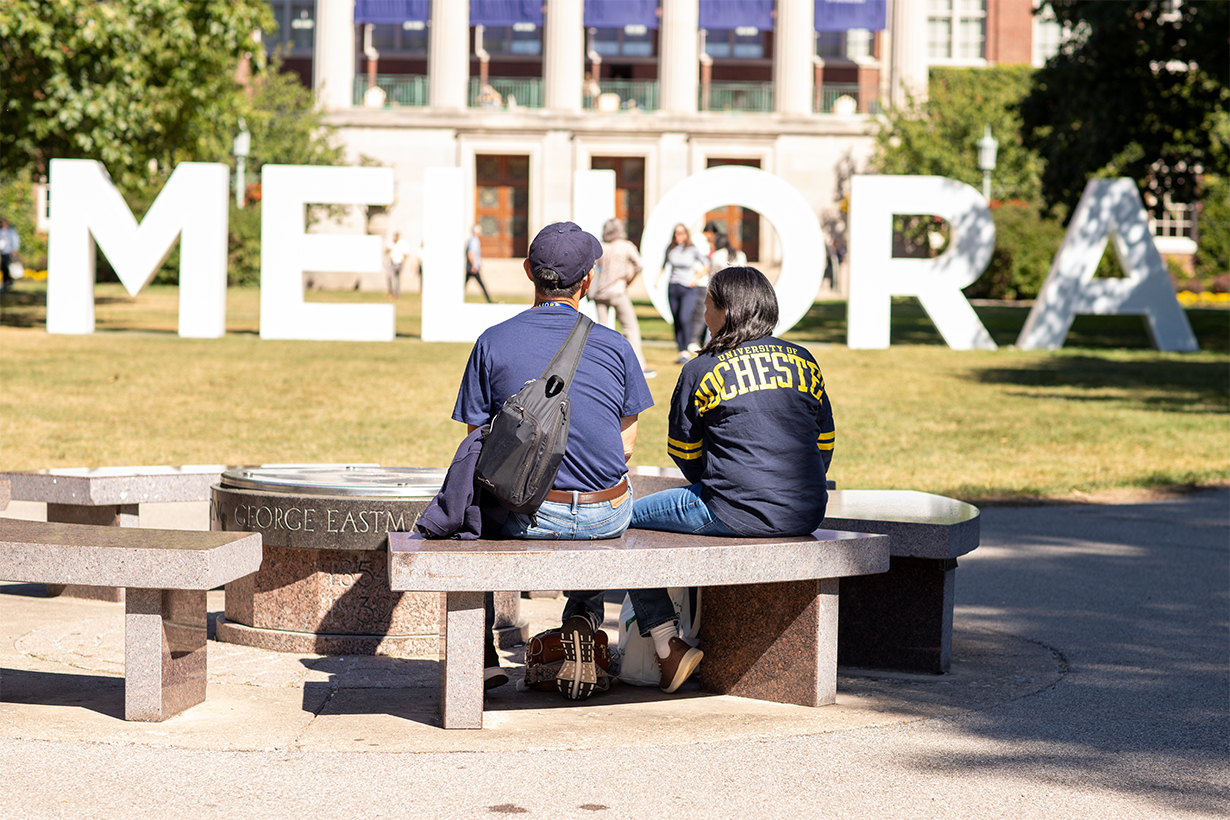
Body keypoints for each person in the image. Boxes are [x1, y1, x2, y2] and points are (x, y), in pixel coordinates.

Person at [452, 221, 660, 700]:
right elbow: (626, 449)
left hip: (527, 518)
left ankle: (481, 655)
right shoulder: (616, 346)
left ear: (528, 272)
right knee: (608, 489)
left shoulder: (492, 340)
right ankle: (581, 621)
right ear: (588, 281)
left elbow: (477, 443)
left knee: (478, 502)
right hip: (604, 516)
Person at [628, 267, 836, 688]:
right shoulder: (805, 361)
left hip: (731, 509)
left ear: (726, 310)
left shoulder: (701, 367)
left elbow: (685, 453)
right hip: (807, 512)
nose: (703, 313)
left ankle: (668, 646)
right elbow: (825, 443)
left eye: (707, 304)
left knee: (620, 522)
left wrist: (726, 483)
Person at [593, 218, 655, 379]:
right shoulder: (625, 246)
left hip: (600, 292)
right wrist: (629, 280)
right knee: (630, 328)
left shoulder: (601, 247)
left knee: (601, 329)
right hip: (618, 291)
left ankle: (598, 364)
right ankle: (639, 366)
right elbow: (639, 265)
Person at [655, 223, 708, 364]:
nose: (678, 235)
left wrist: (696, 278)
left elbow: (706, 264)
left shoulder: (692, 250)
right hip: (673, 287)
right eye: (676, 233)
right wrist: (657, 280)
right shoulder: (671, 249)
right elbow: (664, 264)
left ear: (686, 234)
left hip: (688, 288)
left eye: (681, 233)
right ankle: (681, 351)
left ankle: (686, 347)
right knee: (677, 320)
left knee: (685, 317)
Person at [464, 224, 493, 303]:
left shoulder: (473, 240)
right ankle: (489, 300)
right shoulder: (474, 241)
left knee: (465, 284)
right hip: (473, 267)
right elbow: (471, 253)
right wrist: (474, 265)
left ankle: (489, 300)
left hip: (472, 266)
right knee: (481, 284)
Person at [385, 231, 410, 298]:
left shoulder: (402, 243)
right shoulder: (391, 243)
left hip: (399, 263)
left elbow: (406, 253)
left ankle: (397, 293)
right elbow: (386, 250)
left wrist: (404, 261)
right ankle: (391, 292)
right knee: (390, 277)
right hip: (392, 262)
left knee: (397, 279)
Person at [0, 217, 19, 292]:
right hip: (3, 251)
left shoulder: (11, 231)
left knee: (8, 267)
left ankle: (8, 282)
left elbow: (15, 240)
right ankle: (7, 282)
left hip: (9, 252)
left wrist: (14, 249)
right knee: (4, 267)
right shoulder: (1, 231)